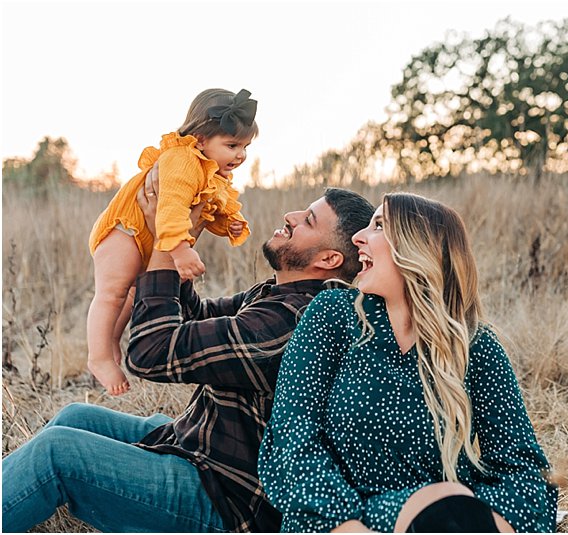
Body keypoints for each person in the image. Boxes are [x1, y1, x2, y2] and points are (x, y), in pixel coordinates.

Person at [1, 182, 375, 532]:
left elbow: (153, 352)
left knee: (57, 453)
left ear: (328, 258)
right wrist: (178, 230)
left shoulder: (292, 321)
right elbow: (196, 320)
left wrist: (164, 246)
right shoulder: (279, 295)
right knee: (76, 416)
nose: (290, 217)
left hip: (224, 495)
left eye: (308, 221)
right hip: (199, 444)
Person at [258, 192, 559, 533]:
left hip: (445, 518)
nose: (358, 238)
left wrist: (490, 523)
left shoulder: (473, 345)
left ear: (418, 249)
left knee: (446, 504)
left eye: (379, 227)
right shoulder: (332, 316)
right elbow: (293, 436)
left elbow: (523, 467)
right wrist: (349, 526)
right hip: (333, 520)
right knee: (442, 501)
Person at [86, 88, 257, 395]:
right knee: (113, 292)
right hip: (124, 230)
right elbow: (172, 208)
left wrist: (226, 222)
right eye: (232, 145)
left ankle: (110, 342)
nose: (240, 155)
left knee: (131, 293)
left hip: (147, 236)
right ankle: (97, 358)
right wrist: (180, 250)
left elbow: (205, 210)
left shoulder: (211, 173)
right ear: (201, 139)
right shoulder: (182, 160)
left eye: (245, 147)